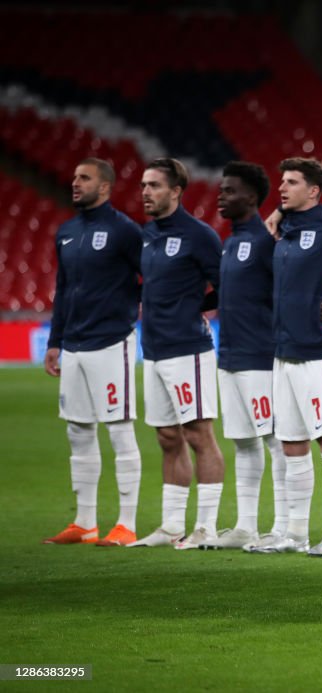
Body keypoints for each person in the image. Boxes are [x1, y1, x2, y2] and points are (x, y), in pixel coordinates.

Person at [247, 157, 322, 555]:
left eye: (291, 182)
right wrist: (277, 212)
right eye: (280, 181)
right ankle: (295, 533)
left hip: (318, 353)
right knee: (291, 444)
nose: (282, 188)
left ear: (314, 190)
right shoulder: (282, 226)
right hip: (283, 353)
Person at [43, 158, 143, 547]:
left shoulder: (123, 231)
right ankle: (85, 522)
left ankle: (127, 524)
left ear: (105, 187)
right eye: (73, 176)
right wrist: (55, 341)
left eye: (84, 177)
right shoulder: (67, 232)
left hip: (111, 342)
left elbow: (149, 277)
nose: (74, 182)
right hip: (75, 347)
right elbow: (64, 290)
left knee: (119, 430)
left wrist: (126, 308)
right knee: (78, 431)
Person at [130, 158, 225, 548]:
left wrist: (199, 310)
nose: (145, 192)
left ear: (175, 191)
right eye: (143, 185)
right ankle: (171, 526)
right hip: (152, 350)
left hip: (188, 350)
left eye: (153, 185)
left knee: (198, 434)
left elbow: (225, 284)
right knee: (168, 436)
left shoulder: (199, 235)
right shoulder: (147, 235)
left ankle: (206, 526)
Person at [196, 161, 289, 550]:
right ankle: (246, 526)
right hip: (229, 355)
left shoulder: (267, 242)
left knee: (275, 440)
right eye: (221, 189)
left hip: (260, 356)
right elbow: (231, 293)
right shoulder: (231, 242)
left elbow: (287, 288)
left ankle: (284, 526)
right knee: (243, 442)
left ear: (251, 198)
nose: (221, 196)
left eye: (230, 190)